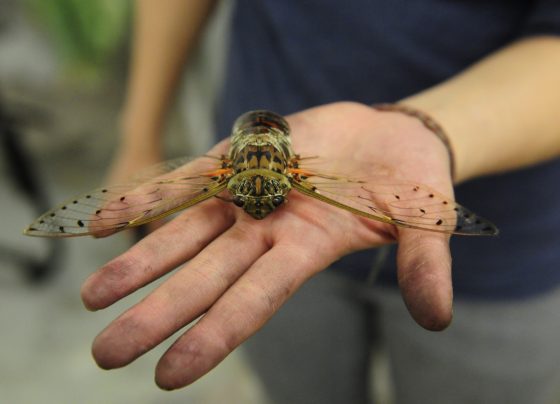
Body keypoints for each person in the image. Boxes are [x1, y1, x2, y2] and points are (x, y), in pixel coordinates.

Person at [81, 1, 560, 403]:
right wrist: (139, 137)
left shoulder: (306, 181)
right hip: (262, 200)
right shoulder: (239, 186)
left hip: (511, 243)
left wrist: (427, 129)